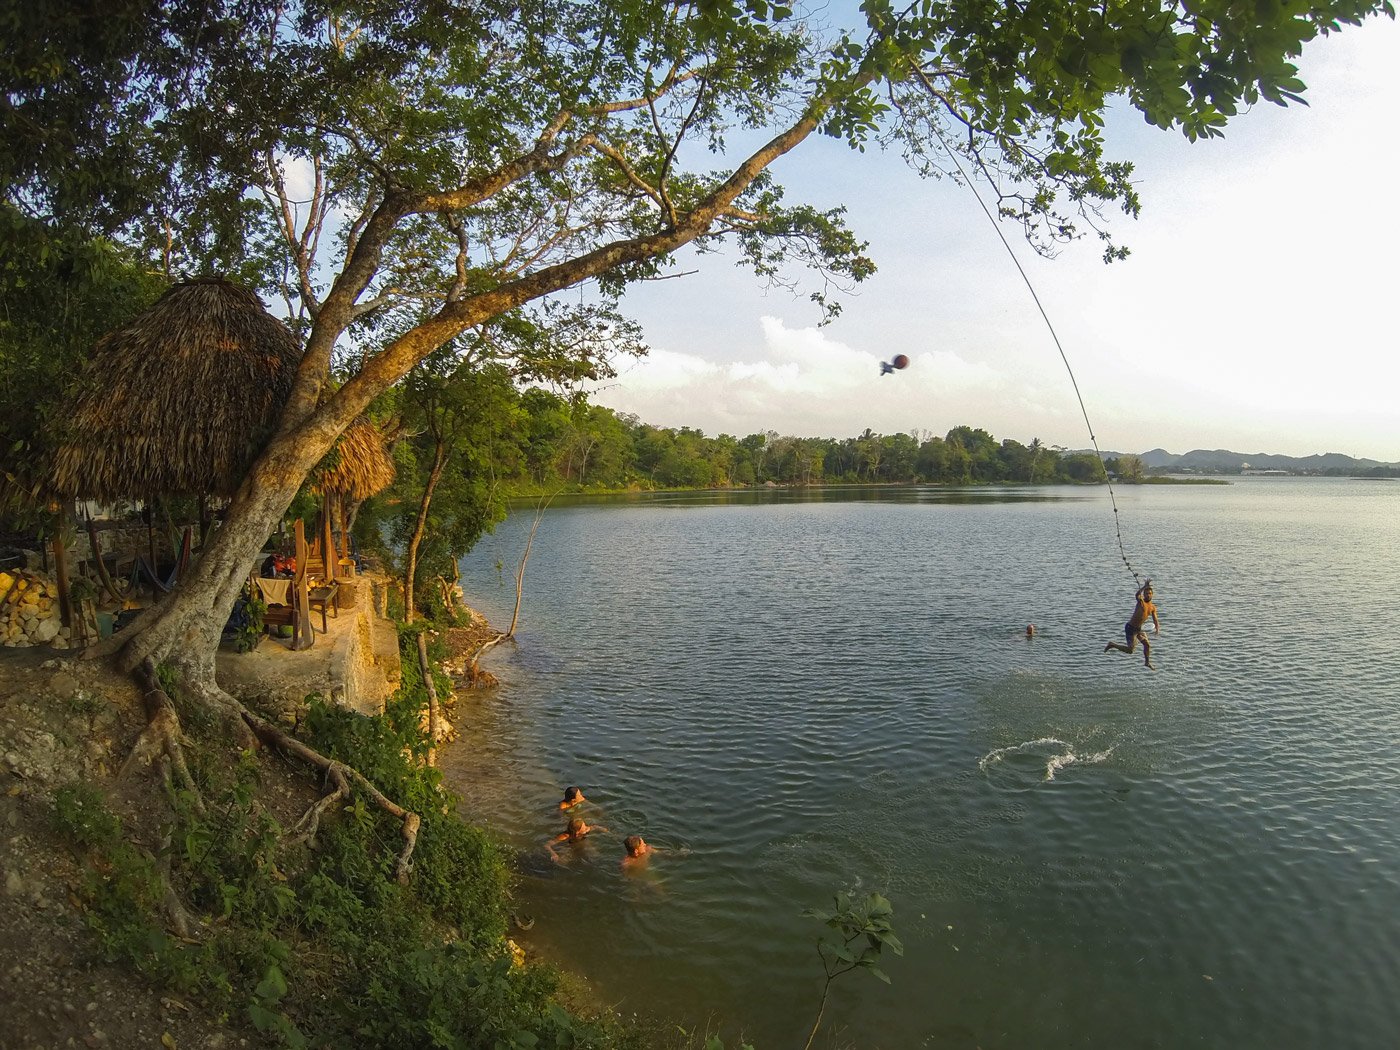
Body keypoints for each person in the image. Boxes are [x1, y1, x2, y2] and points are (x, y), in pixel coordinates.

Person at [1104, 580, 1160, 669]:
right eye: (1146, 593)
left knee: (1147, 645)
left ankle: (1147, 662)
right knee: (1130, 650)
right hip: (1130, 628)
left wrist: (1157, 629)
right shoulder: (1141, 601)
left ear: (1152, 594)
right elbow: (1137, 595)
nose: (1148, 595)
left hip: (1139, 629)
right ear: (1144, 594)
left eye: (1149, 593)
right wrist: (1143, 587)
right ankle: (1112, 644)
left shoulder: (1152, 607)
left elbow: (1155, 619)